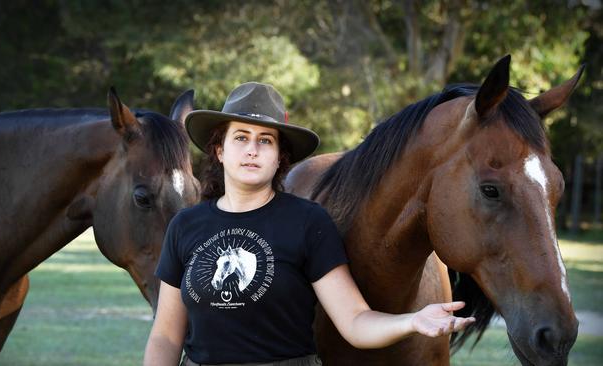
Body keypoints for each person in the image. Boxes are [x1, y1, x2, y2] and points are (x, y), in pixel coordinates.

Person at [144, 82, 475, 366]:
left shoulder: (307, 221)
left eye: (265, 141)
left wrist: (413, 321)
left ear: (279, 157)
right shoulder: (186, 225)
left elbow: (355, 321)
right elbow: (165, 336)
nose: (252, 151)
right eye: (241, 138)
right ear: (219, 150)